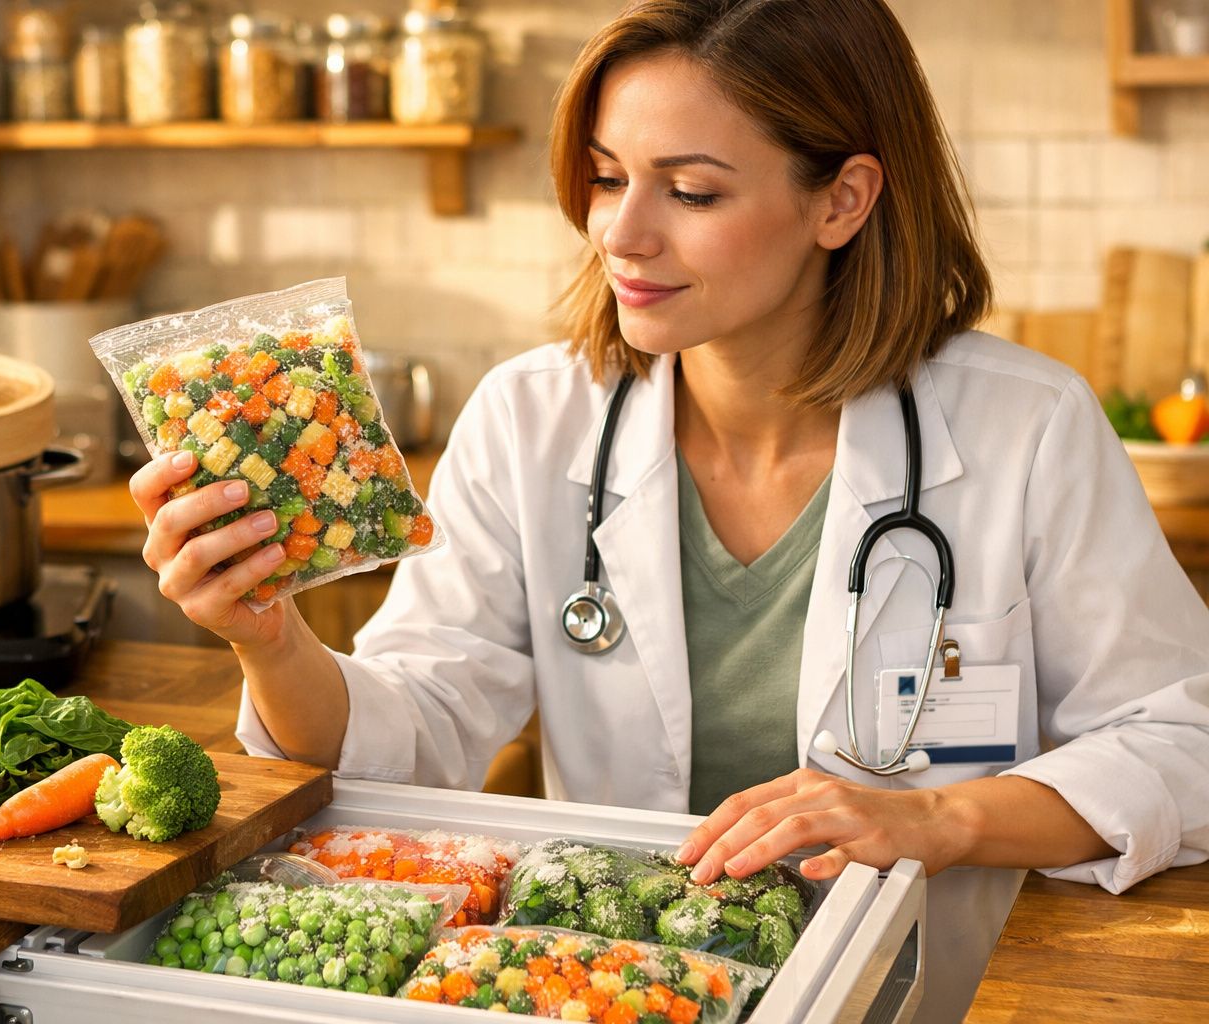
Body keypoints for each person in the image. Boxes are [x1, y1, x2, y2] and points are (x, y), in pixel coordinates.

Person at [130, 1, 1209, 1019]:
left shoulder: (1028, 426)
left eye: (690, 192)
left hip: (922, 997)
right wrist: (267, 643)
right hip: (607, 990)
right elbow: (414, 738)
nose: (622, 233)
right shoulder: (530, 417)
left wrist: (937, 818)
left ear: (843, 200)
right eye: (607, 178)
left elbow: (1185, 736)